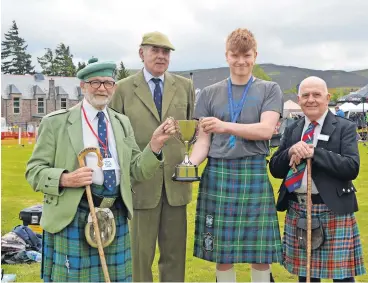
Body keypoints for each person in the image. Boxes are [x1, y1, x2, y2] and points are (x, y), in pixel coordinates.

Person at [25, 58, 176, 282]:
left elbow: (136, 170)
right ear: (83, 86)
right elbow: (33, 172)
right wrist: (65, 179)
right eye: (95, 82)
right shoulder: (56, 123)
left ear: (114, 88)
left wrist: (154, 145)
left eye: (108, 83)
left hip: (114, 213)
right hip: (74, 213)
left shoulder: (122, 122)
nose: (102, 88)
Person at [188, 28, 283, 282]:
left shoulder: (270, 89)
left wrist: (224, 126)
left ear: (255, 55)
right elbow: (202, 143)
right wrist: (187, 164)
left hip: (253, 171)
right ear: (226, 56)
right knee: (223, 253)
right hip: (219, 173)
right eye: (235, 55)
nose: (241, 61)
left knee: (261, 254)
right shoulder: (209, 93)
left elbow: (265, 130)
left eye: (247, 55)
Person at [110, 31, 195, 282]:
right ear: (141, 53)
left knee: (175, 257)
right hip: (140, 186)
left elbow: (193, 130)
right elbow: (115, 138)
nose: (161, 56)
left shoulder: (185, 86)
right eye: (155, 50)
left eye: (166, 51)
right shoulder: (123, 89)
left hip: (176, 184)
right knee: (139, 258)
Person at [269, 76, 366, 282]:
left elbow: (351, 167)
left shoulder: (344, 127)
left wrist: (315, 152)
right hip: (299, 208)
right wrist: (290, 152)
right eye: (305, 95)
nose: (310, 99)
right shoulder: (293, 129)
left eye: (316, 94)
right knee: (306, 277)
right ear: (299, 99)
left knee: (342, 277)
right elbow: (275, 169)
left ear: (327, 97)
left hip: (333, 209)